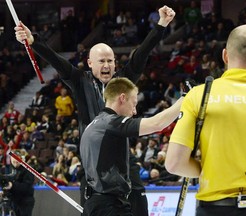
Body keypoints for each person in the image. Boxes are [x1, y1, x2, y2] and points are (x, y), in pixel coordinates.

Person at [14, 5, 176, 216]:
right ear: (90, 63)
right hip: (93, 166)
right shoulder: (80, 81)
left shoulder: (121, 82)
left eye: (110, 60)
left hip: (123, 161)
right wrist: (33, 41)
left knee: (139, 208)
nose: (107, 65)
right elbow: (56, 60)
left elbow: (141, 55)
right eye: (102, 61)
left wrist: (161, 25)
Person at [165, 24, 246, 216]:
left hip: (213, 208)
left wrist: (213, 169)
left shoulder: (199, 95)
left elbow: (173, 163)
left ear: (224, 56)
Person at [80, 77, 183, 215]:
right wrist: (185, 100)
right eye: (134, 104)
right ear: (122, 98)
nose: (134, 111)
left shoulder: (93, 125)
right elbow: (156, 124)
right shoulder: (111, 123)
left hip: (94, 203)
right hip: (109, 206)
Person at [2, 150, 35, 216]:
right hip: (14, 201)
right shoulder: (9, 169)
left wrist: (12, 186)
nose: (15, 160)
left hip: (25, 202)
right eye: (13, 158)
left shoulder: (28, 170)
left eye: (17, 158)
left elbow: (26, 187)